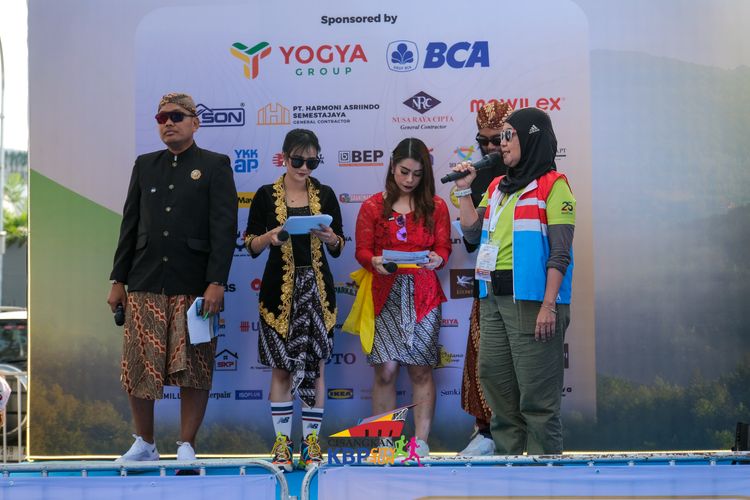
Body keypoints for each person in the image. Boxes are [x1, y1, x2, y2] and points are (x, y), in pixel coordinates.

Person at [107, 92, 238, 463]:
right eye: (161, 117)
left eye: (176, 116)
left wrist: (216, 282)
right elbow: (129, 225)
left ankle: (186, 445)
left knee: (194, 366)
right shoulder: (145, 165)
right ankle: (145, 443)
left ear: (195, 122)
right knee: (139, 362)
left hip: (195, 285)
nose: (168, 123)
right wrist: (118, 279)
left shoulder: (214, 165)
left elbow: (224, 229)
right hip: (145, 280)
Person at [453, 107, 575, 455]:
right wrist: (464, 191)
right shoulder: (496, 186)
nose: (501, 144)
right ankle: (508, 470)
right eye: (500, 136)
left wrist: (549, 306)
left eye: (509, 136)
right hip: (492, 299)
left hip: (533, 302)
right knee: (497, 386)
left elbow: (560, 254)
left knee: (538, 401)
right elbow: (472, 234)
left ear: (531, 138)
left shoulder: (554, 186)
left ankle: (543, 476)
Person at [244, 128, 344, 472]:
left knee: (316, 367)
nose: (304, 168)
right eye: (298, 160)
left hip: (318, 292)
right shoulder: (264, 195)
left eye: (311, 162)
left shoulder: (325, 194)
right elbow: (250, 245)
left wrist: (330, 237)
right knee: (281, 367)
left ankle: (312, 443)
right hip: (279, 294)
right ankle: (282, 445)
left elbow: (339, 245)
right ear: (284, 158)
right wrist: (271, 236)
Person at [355, 138, 451, 458]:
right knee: (385, 371)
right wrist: (374, 261)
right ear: (392, 167)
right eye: (404, 172)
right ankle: (384, 444)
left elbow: (443, 248)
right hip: (385, 292)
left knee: (421, 370)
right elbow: (362, 251)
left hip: (423, 294)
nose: (409, 180)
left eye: (417, 174)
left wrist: (438, 258)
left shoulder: (436, 206)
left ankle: (419, 443)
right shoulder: (372, 206)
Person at [457, 101, 513, 456]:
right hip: (488, 279)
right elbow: (471, 239)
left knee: (522, 361)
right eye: (483, 141)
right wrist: (465, 191)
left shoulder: (536, 174)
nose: (491, 148)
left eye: (497, 140)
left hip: (525, 283)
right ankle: (485, 430)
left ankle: (517, 433)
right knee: (484, 355)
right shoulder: (478, 178)